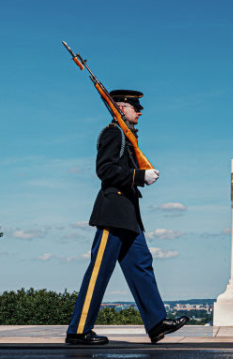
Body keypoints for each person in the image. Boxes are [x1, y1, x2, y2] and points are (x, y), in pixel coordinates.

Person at [65, 89, 188, 345]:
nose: (140, 112)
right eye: (135, 108)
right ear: (121, 109)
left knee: (141, 264)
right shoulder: (113, 133)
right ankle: (78, 331)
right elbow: (105, 170)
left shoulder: (126, 136)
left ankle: (156, 322)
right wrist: (138, 177)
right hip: (113, 214)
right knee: (100, 271)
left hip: (128, 215)